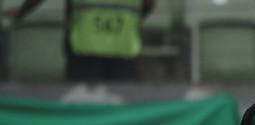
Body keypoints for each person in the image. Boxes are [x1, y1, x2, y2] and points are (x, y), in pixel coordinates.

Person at [12, 0, 154, 81]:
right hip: (123, 47)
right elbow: (148, 4)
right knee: (120, 108)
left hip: (85, 47)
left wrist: (20, 14)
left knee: (83, 106)